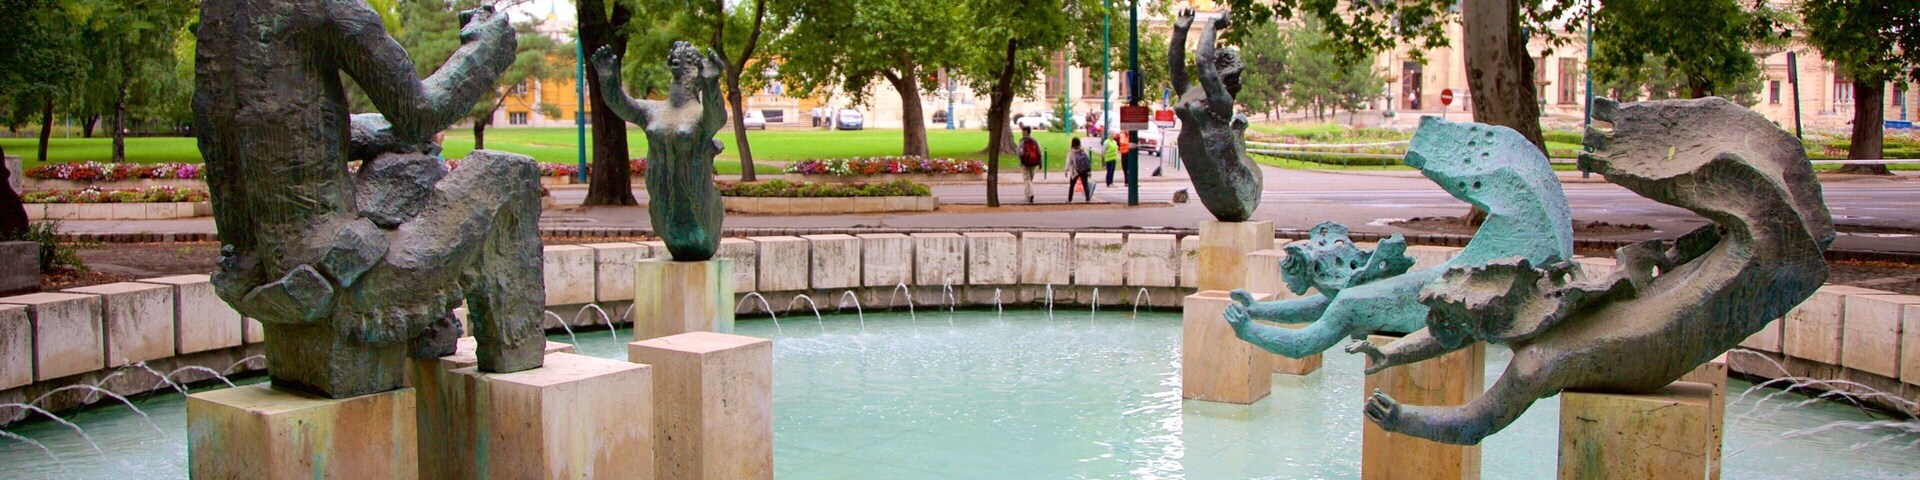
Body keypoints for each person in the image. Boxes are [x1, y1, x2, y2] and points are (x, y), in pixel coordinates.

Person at [1017, 126, 1044, 203]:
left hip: (1025, 163)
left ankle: (1030, 194)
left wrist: (1021, 161)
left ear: (1026, 132)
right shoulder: (1035, 140)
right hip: (1034, 163)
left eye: (1023, 131)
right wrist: (1040, 162)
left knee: (1027, 179)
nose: (1022, 132)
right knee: (1030, 179)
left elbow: (1019, 152)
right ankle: (1027, 195)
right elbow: (1039, 152)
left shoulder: (1022, 142)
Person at [1067, 137, 1093, 202]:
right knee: (1085, 185)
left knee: (1072, 185)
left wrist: (1066, 170)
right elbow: (1088, 159)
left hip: (1075, 171)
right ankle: (1088, 199)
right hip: (1084, 170)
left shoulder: (1072, 151)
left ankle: (1070, 199)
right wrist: (1089, 170)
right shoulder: (1083, 150)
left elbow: (1069, 161)